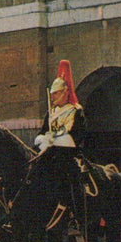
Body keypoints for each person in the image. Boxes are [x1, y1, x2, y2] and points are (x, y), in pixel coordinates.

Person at [33, 60, 87, 228]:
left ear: (65, 92)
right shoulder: (52, 112)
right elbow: (41, 132)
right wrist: (43, 139)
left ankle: (76, 212)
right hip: (49, 152)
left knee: (71, 177)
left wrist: (55, 139)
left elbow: (77, 136)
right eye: (52, 94)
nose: (53, 96)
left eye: (56, 93)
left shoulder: (76, 110)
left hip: (69, 154)